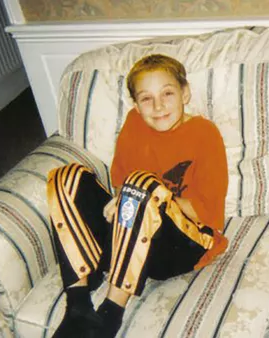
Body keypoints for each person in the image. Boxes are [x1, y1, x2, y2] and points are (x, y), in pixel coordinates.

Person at [47, 54, 229, 338]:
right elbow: (121, 186)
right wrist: (127, 198)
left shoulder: (205, 134)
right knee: (66, 177)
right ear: (135, 104)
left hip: (185, 244)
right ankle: (78, 304)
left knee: (143, 184)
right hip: (132, 234)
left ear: (185, 93)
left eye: (167, 93)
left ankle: (110, 313)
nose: (158, 106)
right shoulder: (134, 123)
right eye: (146, 98)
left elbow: (209, 213)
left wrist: (151, 196)